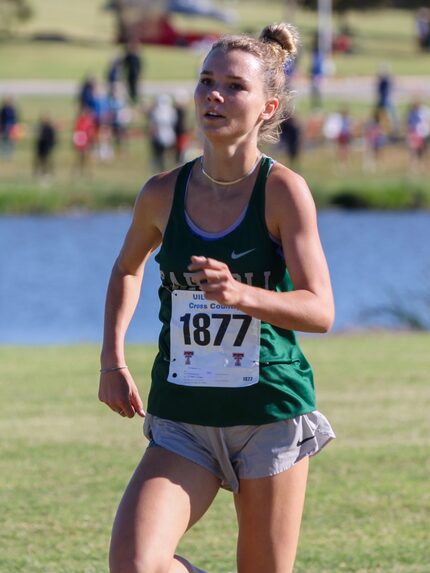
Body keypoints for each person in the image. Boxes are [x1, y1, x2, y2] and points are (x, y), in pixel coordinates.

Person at [99, 22, 335, 573]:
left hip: (267, 413)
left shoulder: (283, 192)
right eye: (207, 81)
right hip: (184, 416)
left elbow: (320, 309)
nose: (214, 95)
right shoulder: (162, 193)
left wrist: (240, 294)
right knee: (135, 565)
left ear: (266, 107)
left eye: (234, 86)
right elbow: (125, 269)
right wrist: (112, 359)